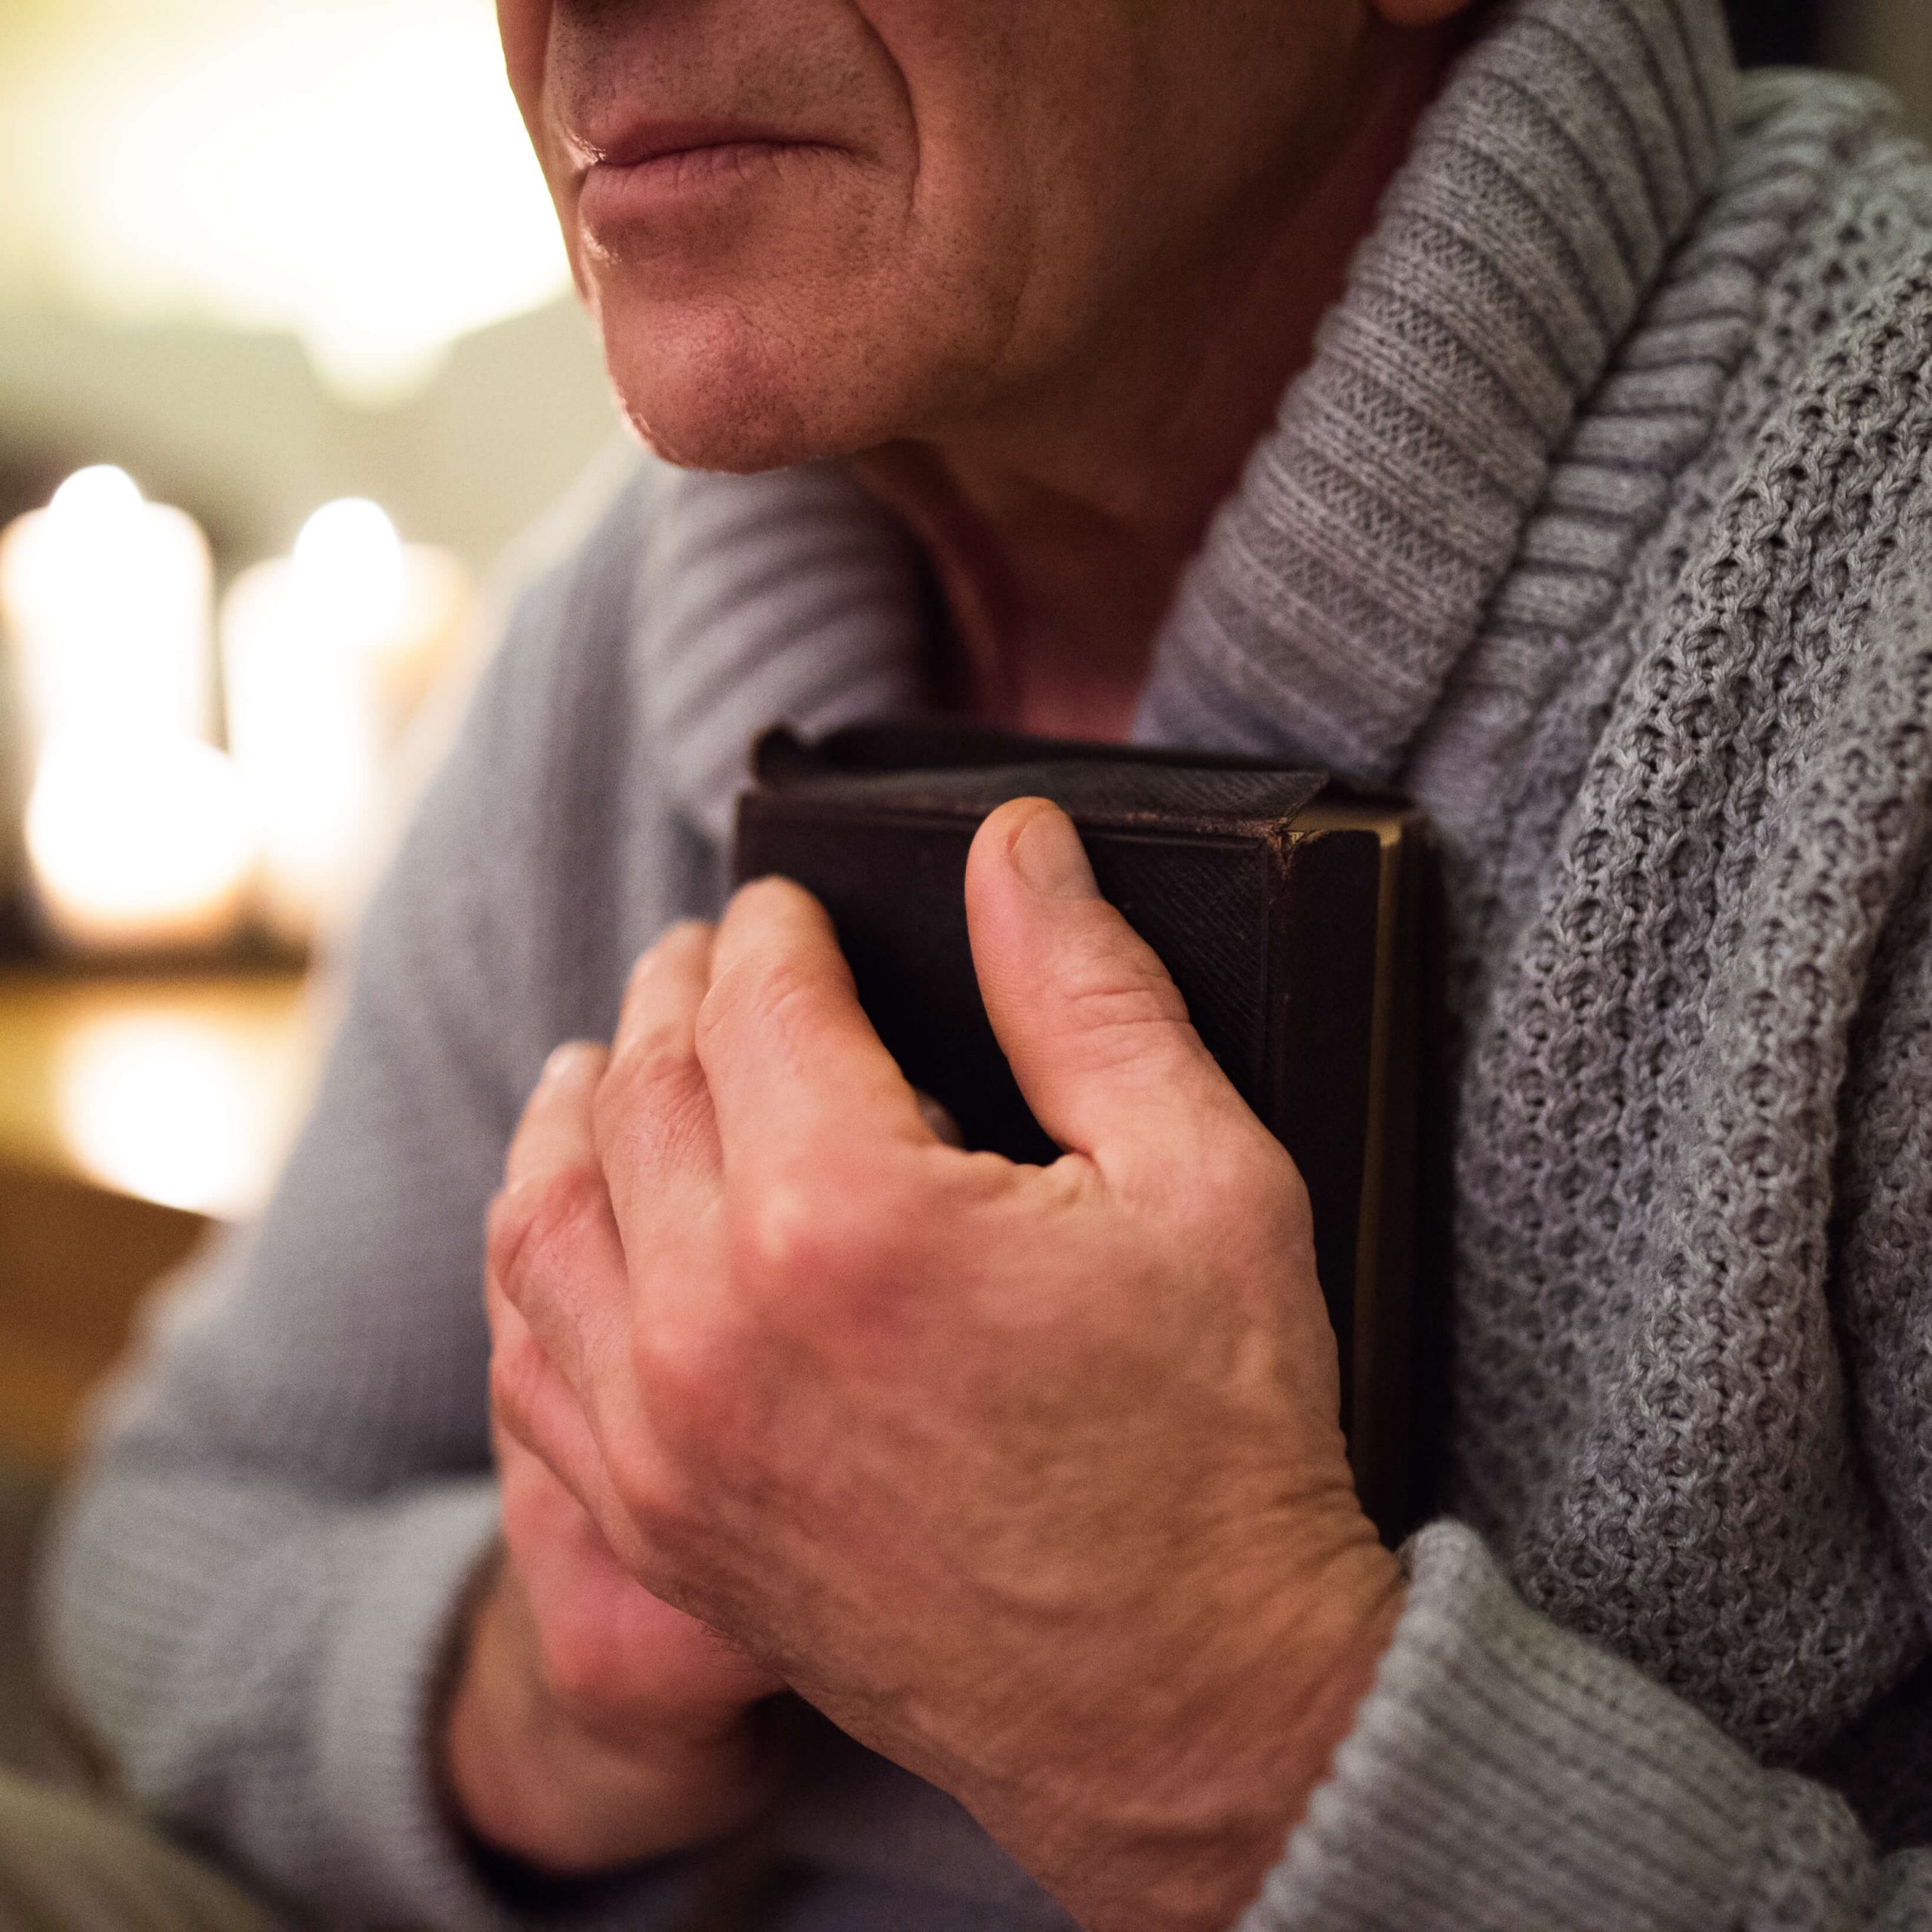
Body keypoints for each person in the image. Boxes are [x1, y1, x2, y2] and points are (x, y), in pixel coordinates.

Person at [18, 0, 1932, 1924]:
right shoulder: (606, 627)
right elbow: (178, 1527)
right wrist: (548, 1691)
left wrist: (1220, 1732)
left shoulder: (1879, 568)